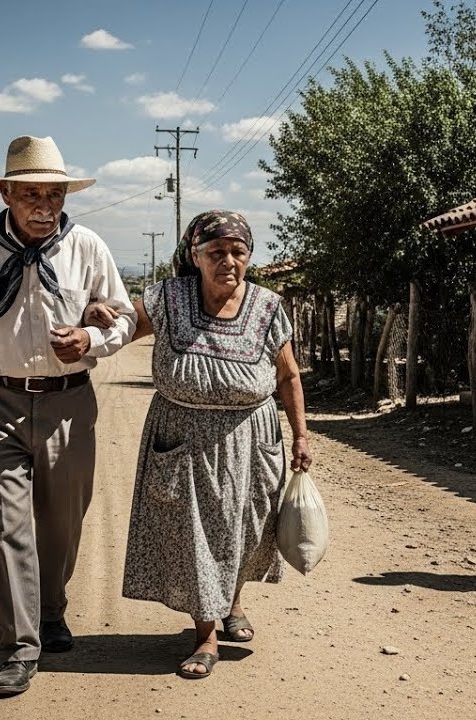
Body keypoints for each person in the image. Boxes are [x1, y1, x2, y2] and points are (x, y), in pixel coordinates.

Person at [0, 135, 136, 696]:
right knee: (7, 526)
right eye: (32, 194)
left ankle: (52, 610)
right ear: (8, 194)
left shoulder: (86, 244)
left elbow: (125, 317)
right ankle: (19, 646)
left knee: (62, 523)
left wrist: (90, 337)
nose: (45, 206)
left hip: (69, 403)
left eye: (54, 195)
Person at [82, 209, 312, 680]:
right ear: (195, 256)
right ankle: (204, 633)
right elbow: (123, 329)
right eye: (217, 252)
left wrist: (301, 434)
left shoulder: (268, 306)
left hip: (252, 437)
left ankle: (232, 603)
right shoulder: (168, 298)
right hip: (182, 436)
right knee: (193, 535)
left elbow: (288, 374)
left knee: (244, 531)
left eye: (238, 252)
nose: (229, 260)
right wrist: (93, 317)